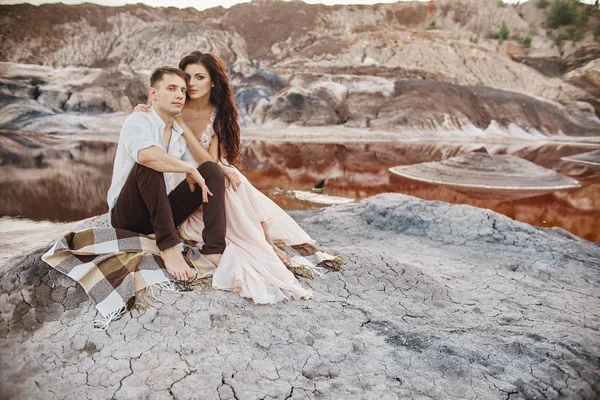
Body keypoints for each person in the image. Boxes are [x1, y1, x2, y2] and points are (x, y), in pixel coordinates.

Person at [134, 52, 315, 303]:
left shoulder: (218, 113)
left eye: (200, 77)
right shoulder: (174, 102)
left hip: (206, 167)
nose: (192, 84)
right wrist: (144, 111)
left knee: (230, 178)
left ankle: (262, 242)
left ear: (213, 82)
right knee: (219, 175)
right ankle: (246, 242)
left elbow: (210, 158)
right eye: (188, 77)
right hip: (178, 174)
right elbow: (152, 129)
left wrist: (189, 135)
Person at [107, 66, 227, 282]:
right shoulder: (138, 120)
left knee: (211, 170)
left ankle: (214, 250)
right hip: (128, 216)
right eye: (171, 88)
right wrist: (188, 169)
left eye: (182, 90)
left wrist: (205, 170)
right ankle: (169, 247)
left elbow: (203, 168)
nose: (179, 95)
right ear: (153, 93)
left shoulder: (179, 135)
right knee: (151, 162)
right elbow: (145, 156)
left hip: (161, 212)